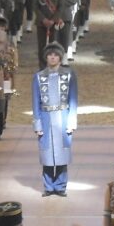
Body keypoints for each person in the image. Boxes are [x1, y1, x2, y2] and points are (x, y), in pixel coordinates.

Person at [31, 42, 78, 196]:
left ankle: (61, 185)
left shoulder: (69, 75)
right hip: (46, 119)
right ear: (46, 57)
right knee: (47, 154)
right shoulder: (38, 77)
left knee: (62, 153)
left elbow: (73, 100)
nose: (52, 57)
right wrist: (37, 124)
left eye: (55, 55)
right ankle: (49, 186)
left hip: (63, 118)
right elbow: (35, 101)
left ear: (60, 57)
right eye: (50, 55)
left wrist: (71, 122)